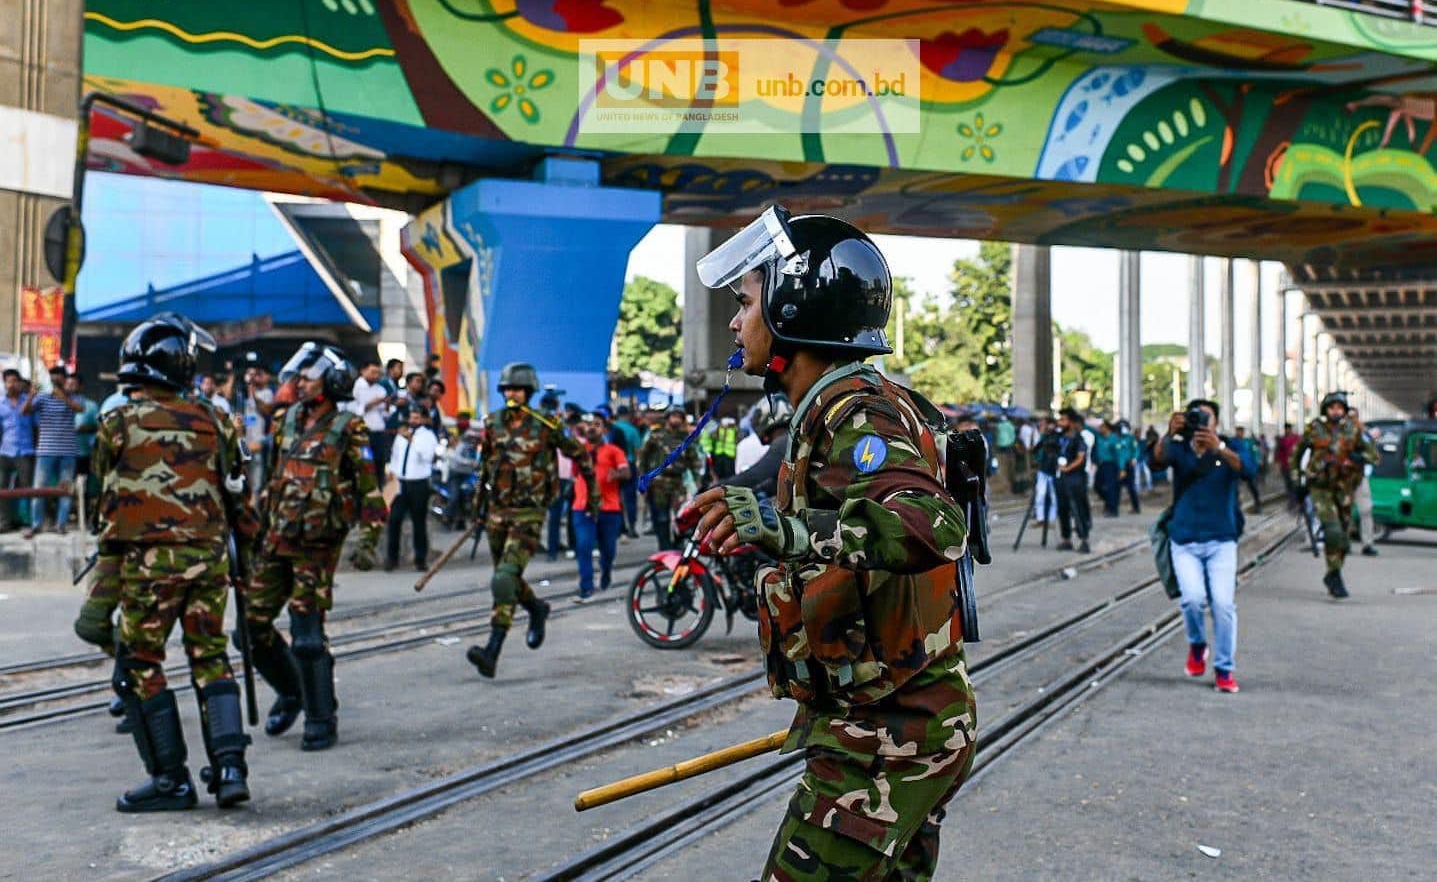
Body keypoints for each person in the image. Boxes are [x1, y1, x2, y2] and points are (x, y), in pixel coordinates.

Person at [687, 206, 975, 881]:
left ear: (793, 306)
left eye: (744, 303)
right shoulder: (837, 403)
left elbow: (931, 525)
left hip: (887, 738)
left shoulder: (856, 409)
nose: (734, 322)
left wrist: (780, 528)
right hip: (883, 722)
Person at [97, 312, 259, 811]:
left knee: (141, 663)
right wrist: (247, 563)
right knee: (211, 657)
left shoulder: (116, 422)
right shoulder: (215, 419)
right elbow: (239, 495)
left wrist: (102, 589)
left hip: (150, 568)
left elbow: (108, 503)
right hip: (209, 560)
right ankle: (230, 768)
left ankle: (171, 781)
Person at [245, 342, 387, 752]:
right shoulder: (286, 420)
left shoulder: (349, 427)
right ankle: (292, 691)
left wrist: (368, 541)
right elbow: (271, 479)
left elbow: (369, 490)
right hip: (275, 538)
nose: (299, 383)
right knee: (250, 629)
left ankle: (321, 717)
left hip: (316, 545)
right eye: (299, 376)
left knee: (307, 634)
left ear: (331, 382)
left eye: (308, 377)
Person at [466, 362, 596, 679]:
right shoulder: (492, 423)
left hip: (530, 513)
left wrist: (591, 495)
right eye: (508, 389)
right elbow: (485, 468)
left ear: (529, 392)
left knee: (503, 580)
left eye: (518, 389)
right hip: (497, 512)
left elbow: (580, 454)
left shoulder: (546, 424)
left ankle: (492, 650)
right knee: (506, 580)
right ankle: (536, 609)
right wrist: (478, 509)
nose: (512, 394)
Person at [1149, 399, 1256, 694]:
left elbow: (1248, 470)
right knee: (1192, 599)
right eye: (1194, 417)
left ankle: (1224, 668)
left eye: (1205, 418)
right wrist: (1168, 434)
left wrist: (1218, 448)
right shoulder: (1179, 447)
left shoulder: (1232, 446)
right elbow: (1155, 463)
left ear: (1216, 423)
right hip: (1184, 538)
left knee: (1223, 604)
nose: (1200, 424)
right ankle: (1197, 644)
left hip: (1221, 539)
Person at [1289, 392, 1378, 599]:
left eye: (1340, 407)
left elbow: (1374, 456)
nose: (1335, 411)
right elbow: (1296, 456)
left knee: (1344, 540)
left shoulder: (1354, 430)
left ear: (1345, 410)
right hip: (1321, 488)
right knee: (1333, 530)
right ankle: (1335, 574)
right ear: (1325, 410)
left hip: (1345, 489)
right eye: (1332, 407)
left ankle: (1332, 573)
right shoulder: (1314, 429)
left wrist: (1359, 456)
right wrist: (1298, 482)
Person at [571, 412, 630, 602]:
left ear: (604, 429)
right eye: (588, 424)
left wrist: (617, 475)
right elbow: (573, 474)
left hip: (609, 508)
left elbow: (626, 472)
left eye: (596, 424)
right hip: (583, 507)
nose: (591, 427)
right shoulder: (578, 451)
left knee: (608, 550)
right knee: (584, 546)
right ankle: (586, 587)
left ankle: (606, 574)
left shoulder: (614, 451)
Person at [22, 365, 83, 536]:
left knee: (65, 489)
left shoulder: (73, 396)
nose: (55, 381)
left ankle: (61, 524)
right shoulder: (42, 397)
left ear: (65, 380)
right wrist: (31, 395)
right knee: (39, 489)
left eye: (58, 378)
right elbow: (24, 412)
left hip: (68, 451)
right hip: (45, 450)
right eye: (52, 377)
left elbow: (80, 409)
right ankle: (36, 525)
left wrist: (63, 397)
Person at [637, 405, 701, 550]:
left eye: (679, 417)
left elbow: (694, 461)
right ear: (667, 418)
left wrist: (698, 481)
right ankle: (664, 547)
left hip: (677, 483)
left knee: (681, 517)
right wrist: (643, 480)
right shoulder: (656, 436)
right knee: (661, 518)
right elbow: (643, 458)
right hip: (658, 483)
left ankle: (678, 546)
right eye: (674, 416)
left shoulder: (686, 439)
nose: (676, 420)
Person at [385, 406, 439, 572]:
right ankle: (392, 558)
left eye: (417, 418)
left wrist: (412, 441)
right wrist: (391, 474)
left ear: (422, 419)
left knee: (419, 522)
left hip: (419, 483)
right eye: (412, 417)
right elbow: (395, 457)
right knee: (394, 519)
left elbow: (428, 457)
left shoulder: (428, 436)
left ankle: (420, 559)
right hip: (401, 482)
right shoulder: (401, 436)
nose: (413, 421)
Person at [1055, 407, 1092, 553]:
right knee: (1062, 508)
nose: (1060, 423)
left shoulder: (1079, 438)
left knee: (1078, 509)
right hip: (1061, 479)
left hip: (1076, 479)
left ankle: (1084, 539)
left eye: (1063, 420)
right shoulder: (1059, 438)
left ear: (1071, 422)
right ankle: (1066, 539)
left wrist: (1068, 468)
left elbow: (1080, 457)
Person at [1347, 409, 1380, 557]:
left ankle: (1367, 544)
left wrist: (1361, 457)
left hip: (1360, 477)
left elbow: (1374, 457)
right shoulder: (1338, 434)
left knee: (1366, 510)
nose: (1352, 420)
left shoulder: (1364, 434)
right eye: (1349, 417)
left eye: (1354, 417)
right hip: (1344, 477)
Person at [69, 373, 101, 530]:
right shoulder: (61, 404)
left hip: (85, 452)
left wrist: (85, 429)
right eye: (68, 385)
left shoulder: (91, 406)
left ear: (81, 386)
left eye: (73, 384)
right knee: (68, 486)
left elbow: (98, 427)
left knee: (87, 487)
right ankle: (67, 517)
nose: (70, 388)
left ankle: (86, 517)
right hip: (67, 453)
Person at [349, 359, 392, 470]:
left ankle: (381, 485)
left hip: (379, 431)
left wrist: (387, 404)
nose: (376, 376)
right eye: (373, 372)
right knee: (366, 463)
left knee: (380, 462)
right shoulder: (355, 388)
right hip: (364, 432)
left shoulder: (380, 389)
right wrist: (373, 402)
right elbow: (356, 411)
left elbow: (385, 414)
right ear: (363, 371)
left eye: (378, 373)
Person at [611, 405, 643, 537]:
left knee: (615, 496)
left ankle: (618, 527)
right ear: (627, 415)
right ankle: (632, 527)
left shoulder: (612, 429)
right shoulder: (632, 430)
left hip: (613, 465)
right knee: (630, 498)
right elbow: (637, 451)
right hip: (628, 464)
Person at [1091, 420, 1122, 517]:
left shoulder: (1114, 438)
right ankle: (1109, 501)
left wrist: (1122, 468)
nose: (1100, 429)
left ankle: (1112, 509)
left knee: (1111, 487)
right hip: (1101, 465)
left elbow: (1119, 455)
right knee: (1097, 485)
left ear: (1107, 428)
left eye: (1102, 427)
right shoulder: (1099, 437)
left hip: (1111, 465)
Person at [1233, 426, 1263, 511]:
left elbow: (1255, 452)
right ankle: (1237, 503)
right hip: (1237, 468)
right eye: (1238, 431)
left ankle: (1257, 502)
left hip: (1248, 468)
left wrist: (1256, 463)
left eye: (1241, 431)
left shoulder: (1248, 442)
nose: (1239, 433)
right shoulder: (1233, 442)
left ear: (1243, 432)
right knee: (1235, 485)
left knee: (1252, 486)